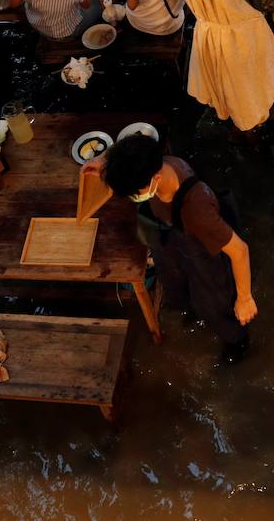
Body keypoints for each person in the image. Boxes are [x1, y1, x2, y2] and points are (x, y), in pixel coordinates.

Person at [89, 134, 256, 363]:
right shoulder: (153, 160)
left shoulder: (197, 211)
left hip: (202, 249)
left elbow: (239, 251)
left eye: (135, 193)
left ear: (155, 179)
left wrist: (245, 299)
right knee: (173, 280)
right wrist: (105, 164)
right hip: (172, 233)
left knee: (213, 302)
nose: (134, 198)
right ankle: (189, 308)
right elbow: (131, 150)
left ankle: (237, 343)